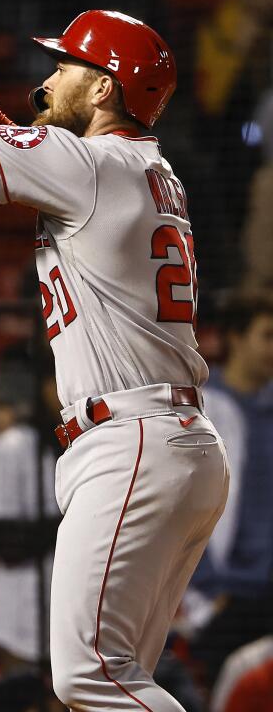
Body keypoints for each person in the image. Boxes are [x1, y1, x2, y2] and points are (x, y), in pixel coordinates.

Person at [0, 0, 228, 711]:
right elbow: (28, 164)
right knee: (119, 679)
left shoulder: (92, 168)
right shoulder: (138, 168)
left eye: (64, 65)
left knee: (90, 677)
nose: (48, 77)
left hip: (132, 444)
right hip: (171, 440)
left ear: (102, 86)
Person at [186, 290, 273, 683]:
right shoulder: (202, 410)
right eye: (268, 335)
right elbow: (183, 504)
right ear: (236, 338)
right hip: (228, 596)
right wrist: (207, 588)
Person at [0, 354, 61, 669]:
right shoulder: (6, 449)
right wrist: (67, 524)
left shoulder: (54, 444)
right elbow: (2, 541)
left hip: (60, 615)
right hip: (20, 621)